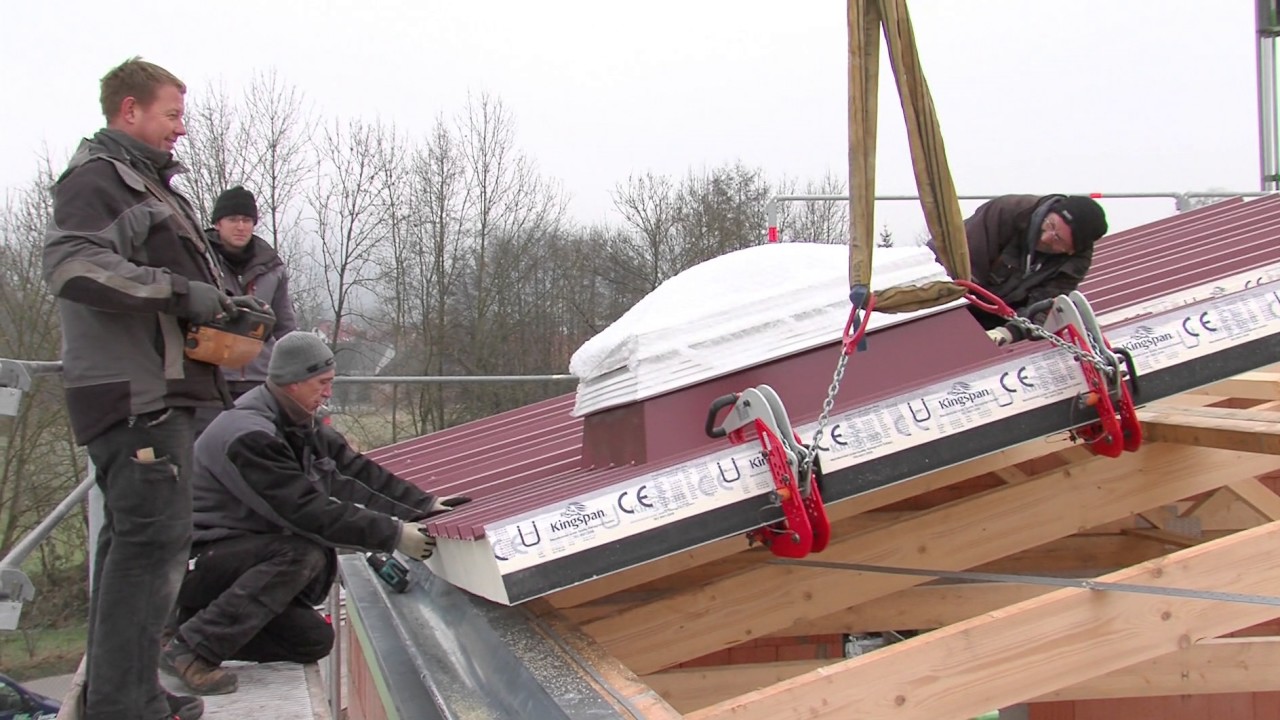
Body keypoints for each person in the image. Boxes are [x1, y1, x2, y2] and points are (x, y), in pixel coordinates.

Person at [42, 56, 244, 720]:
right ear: (129, 111)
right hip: (135, 398)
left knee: (134, 549)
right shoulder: (100, 180)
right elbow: (73, 266)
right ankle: (126, 709)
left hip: (153, 394)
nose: (180, 130)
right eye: (172, 115)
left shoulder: (145, 184)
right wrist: (181, 292)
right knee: (151, 551)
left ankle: (120, 695)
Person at [161, 331, 467, 695]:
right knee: (300, 553)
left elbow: (355, 473)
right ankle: (192, 650)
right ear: (293, 382)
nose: (328, 392)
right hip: (194, 561)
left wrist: (423, 505)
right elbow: (306, 511)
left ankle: (185, 630)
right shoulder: (250, 436)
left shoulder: (297, 422)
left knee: (312, 641)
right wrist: (394, 534)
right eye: (323, 383)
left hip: (237, 559)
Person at [191, 186, 297, 432]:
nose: (241, 226)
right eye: (233, 219)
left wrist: (294, 370)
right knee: (209, 450)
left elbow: (285, 326)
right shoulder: (197, 259)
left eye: (247, 220)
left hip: (260, 377)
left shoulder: (272, 267)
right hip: (211, 377)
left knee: (258, 448)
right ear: (218, 223)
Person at [957, 194, 1108, 345]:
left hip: (996, 321)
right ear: (1048, 212)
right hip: (951, 298)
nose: (1045, 238)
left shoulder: (1075, 264)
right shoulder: (1008, 210)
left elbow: (1044, 307)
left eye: (1058, 239)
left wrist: (1007, 333)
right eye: (1050, 225)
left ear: (1071, 250)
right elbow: (958, 262)